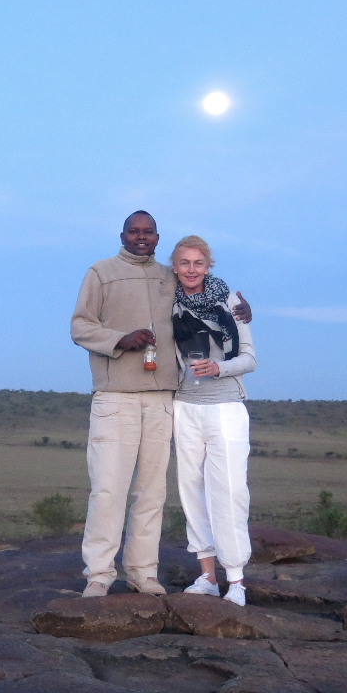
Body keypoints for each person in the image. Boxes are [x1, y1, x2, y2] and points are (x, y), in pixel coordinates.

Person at [70, 213, 250, 598]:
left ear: (156, 237)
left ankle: (143, 572)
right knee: (108, 489)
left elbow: (207, 290)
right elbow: (80, 327)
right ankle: (99, 574)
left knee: (151, 492)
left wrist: (241, 309)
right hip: (116, 394)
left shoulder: (170, 276)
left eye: (147, 232)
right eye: (134, 231)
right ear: (122, 235)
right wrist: (121, 339)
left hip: (163, 398)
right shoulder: (101, 273)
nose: (140, 238)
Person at [169, 235, 257, 606]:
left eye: (198, 263)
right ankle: (206, 575)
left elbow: (250, 358)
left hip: (225, 406)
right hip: (184, 405)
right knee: (191, 490)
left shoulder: (231, 302)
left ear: (208, 266)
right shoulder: (167, 301)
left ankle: (235, 579)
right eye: (184, 263)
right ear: (174, 267)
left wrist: (219, 367)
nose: (191, 269)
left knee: (230, 490)